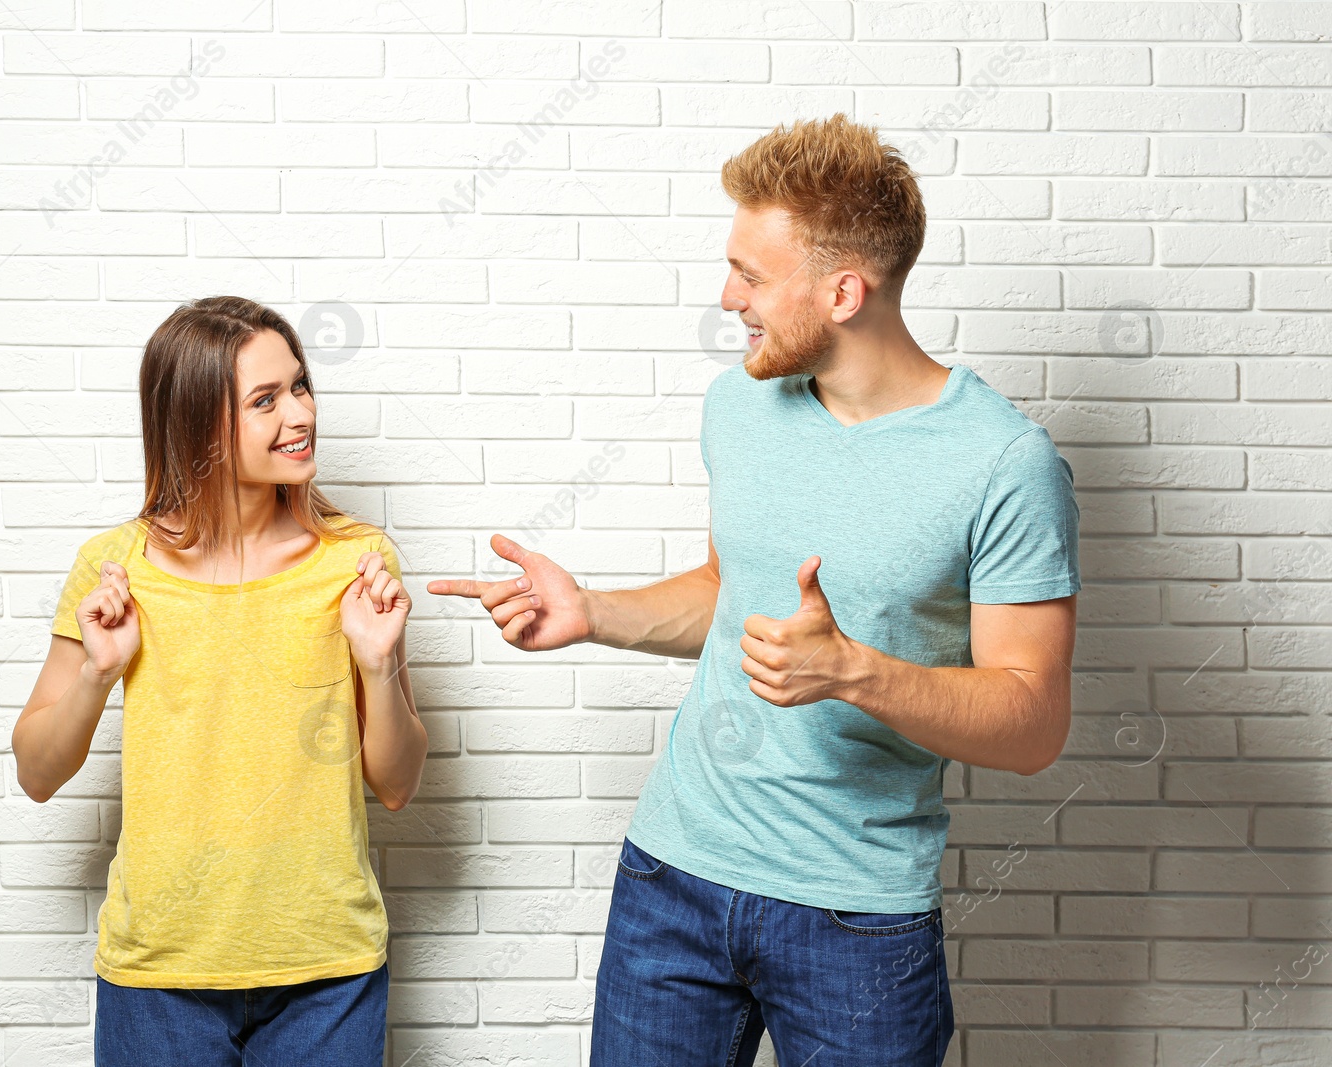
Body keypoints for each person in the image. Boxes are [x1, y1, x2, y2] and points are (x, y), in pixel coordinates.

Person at [429, 113, 1081, 1065]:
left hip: (857, 919)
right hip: (672, 880)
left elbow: (1033, 723)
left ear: (844, 289)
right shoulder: (743, 401)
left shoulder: (1004, 463)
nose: (728, 297)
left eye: (753, 275)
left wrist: (854, 672)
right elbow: (729, 591)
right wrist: (594, 613)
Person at [12, 296, 426, 1067]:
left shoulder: (357, 561)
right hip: (158, 977)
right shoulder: (115, 567)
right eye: (265, 400)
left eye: (299, 386)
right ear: (199, 425)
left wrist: (376, 661)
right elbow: (36, 771)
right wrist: (99, 673)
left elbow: (397, 784)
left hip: (328, 974)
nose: (299, 413)